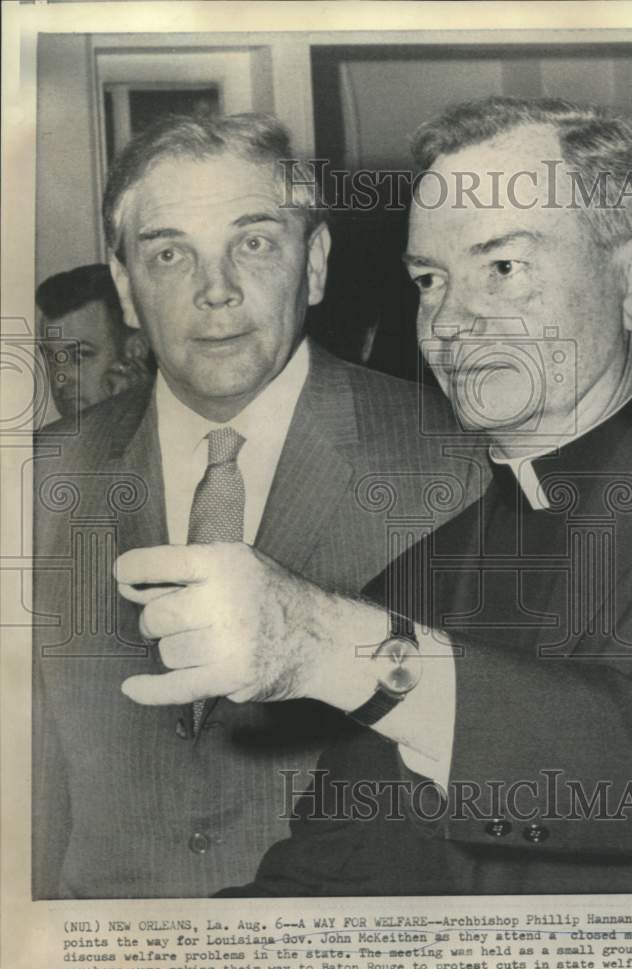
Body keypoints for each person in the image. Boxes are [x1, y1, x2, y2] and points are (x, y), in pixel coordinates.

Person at [113, 97, 632, 895]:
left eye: (502, 267)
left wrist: (330, 648)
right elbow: (329, 875)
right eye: (430, 279)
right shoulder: (422, 572)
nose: (449, 320)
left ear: (630, 279)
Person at [32, 112, 483, 899]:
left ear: (313, 265)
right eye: (169, 253)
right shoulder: (36, 479)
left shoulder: (458, 464)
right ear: (125, 291)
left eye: (254, 242)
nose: (216, 291)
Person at [36, 263, 151, 420]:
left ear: (135, 351)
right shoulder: (51, 440)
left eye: (80, 355)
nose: (59, 380)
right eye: (52, 359)